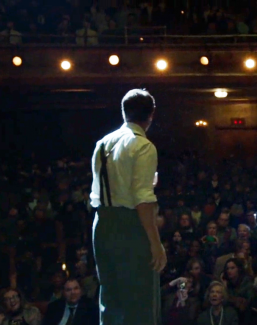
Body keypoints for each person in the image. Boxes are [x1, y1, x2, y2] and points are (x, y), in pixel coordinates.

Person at [90, 89, 166, 325]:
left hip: (101, 224)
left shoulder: (102, 143)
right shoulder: (143, 146)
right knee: (140, 301)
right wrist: (156, 243)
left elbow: (108, 187)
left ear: (123, 112)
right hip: (130, 225)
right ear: (151, 115)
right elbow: (142, 200)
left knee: (110, 299)